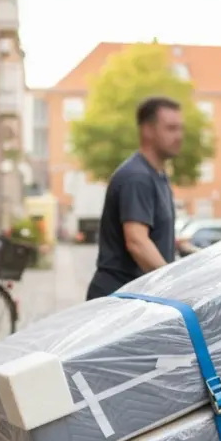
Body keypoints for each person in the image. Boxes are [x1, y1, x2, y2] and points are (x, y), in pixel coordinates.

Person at [85, 96, 183, 300]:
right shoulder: (137, 177)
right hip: (118, 301)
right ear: (148, 130)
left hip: (136, 297)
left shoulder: (158, 176)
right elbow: (137, 241)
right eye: (171, 128)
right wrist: (174, 285)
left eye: (180, 128)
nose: (179, 136)